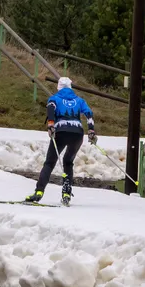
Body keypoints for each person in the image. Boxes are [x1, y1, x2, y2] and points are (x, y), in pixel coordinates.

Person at [25, 77, 97, 206]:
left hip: (61, 131)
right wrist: (91, 131)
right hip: (77, 133)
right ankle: (66, 194)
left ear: (58, 87)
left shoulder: (54, 99)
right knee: (68, 162)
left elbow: (51, 109)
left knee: (49, 163)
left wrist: (51, 124)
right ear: (70, 87)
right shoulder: (79, 100)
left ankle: (39, 192)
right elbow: (89, 114)